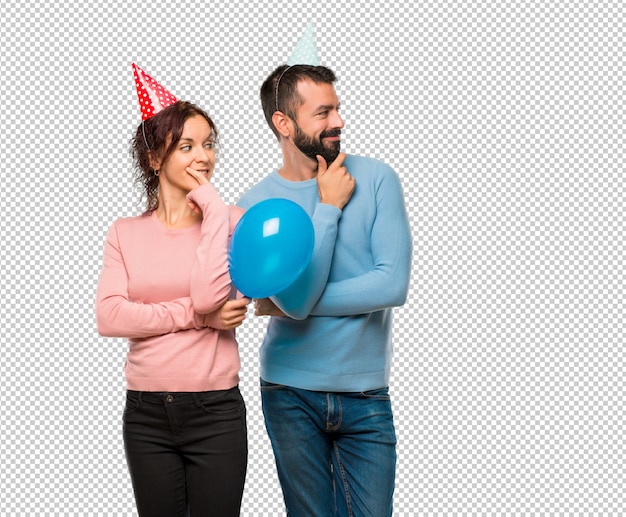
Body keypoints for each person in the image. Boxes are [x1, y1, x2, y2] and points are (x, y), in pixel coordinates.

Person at [236, 33, 413, 517]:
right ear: (284, 123)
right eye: (322, 113)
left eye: (336, 108)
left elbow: (390, 285)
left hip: (366, 392)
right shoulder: (254, 206)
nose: (338, 121)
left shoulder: (376, 179)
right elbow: (295, 302)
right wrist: (328, 208)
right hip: (289, 392)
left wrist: (295, 300)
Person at [96, 64, 249, 517]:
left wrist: (215, 212)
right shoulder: (124, 232)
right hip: (145, 414)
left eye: (208, 144)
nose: (203, 156)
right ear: (154, 159)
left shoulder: (233, 223)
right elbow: (111, 317)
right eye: (186, 146)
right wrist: (199, 319)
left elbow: (208, 293)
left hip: (216, 412)